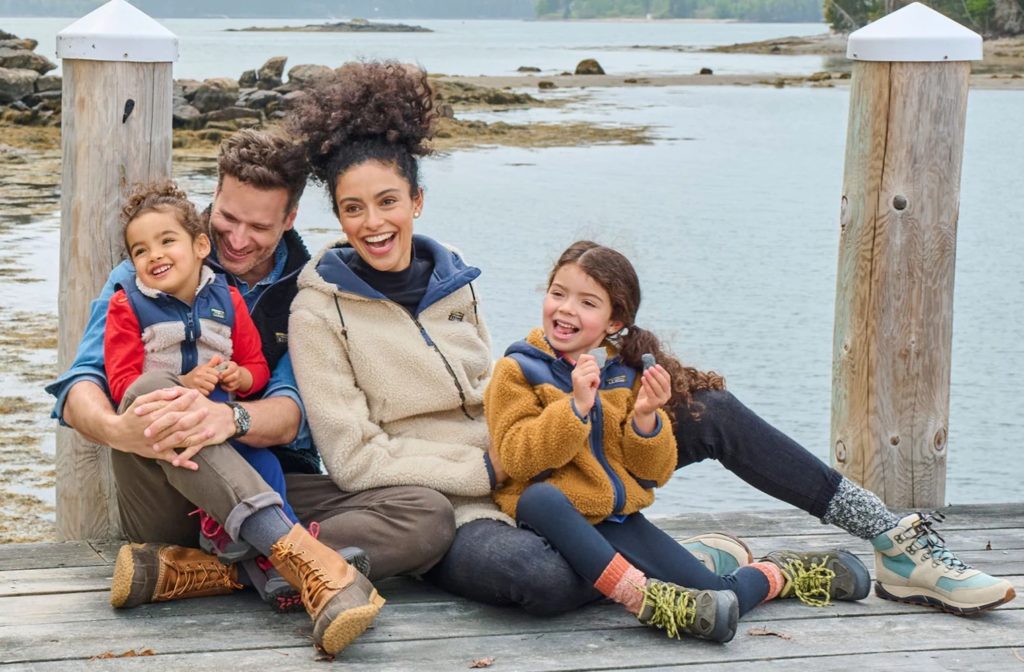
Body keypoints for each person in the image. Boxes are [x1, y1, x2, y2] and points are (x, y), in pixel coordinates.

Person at [286, 60, 1015, 621]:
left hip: (545, 458)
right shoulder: (320, 310)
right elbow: (355, 457)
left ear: (416, 200)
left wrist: (584, 405)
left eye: (387, 201)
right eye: (353, 209)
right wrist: (490, 465)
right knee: (547, 582)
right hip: (453, 503)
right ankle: (716, 568)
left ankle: (892, 538)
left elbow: (500, 390)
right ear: (339, 217)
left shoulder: (453, 279)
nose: (373, 222)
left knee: (710, 411)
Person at [45, 129, 456, 655]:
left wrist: (231, 419)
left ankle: (206, 572)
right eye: (227, 218)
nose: (237, 239)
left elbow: (289, 411)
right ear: (213, 197)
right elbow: (81, 383)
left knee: (427, 513)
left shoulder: (309, 293)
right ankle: (310, 568)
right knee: (154, 388)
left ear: (290, 220)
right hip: (174, 492)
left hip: (267, 475)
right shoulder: (148, 270)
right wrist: (119, 430)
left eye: (259, 226)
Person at [485, 240, 870, 642]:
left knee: (721, 600)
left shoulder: (622, 377)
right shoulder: (517, 370)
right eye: (558, 294)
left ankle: (785, 573)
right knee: (540, 498)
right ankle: (649, 600)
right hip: (549, 518)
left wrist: (647, 417)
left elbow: (651, 472)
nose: (565, 309)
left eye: (587, 302)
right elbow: (517, 458)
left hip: (616, 521)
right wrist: (575, 409)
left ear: (614, 321)